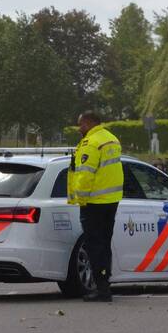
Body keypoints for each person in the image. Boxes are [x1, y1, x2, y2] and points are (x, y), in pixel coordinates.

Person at [67, 111, 122, 302]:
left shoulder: (90, 143)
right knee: (104, 244)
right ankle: (105, 284)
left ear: (89, 123)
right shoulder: (111, 139)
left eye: (80, 124)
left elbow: (85, 174)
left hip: (94, 202)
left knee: (94, 246)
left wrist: (80, 199)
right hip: (111, 200)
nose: (78, 128)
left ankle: (102, 289)